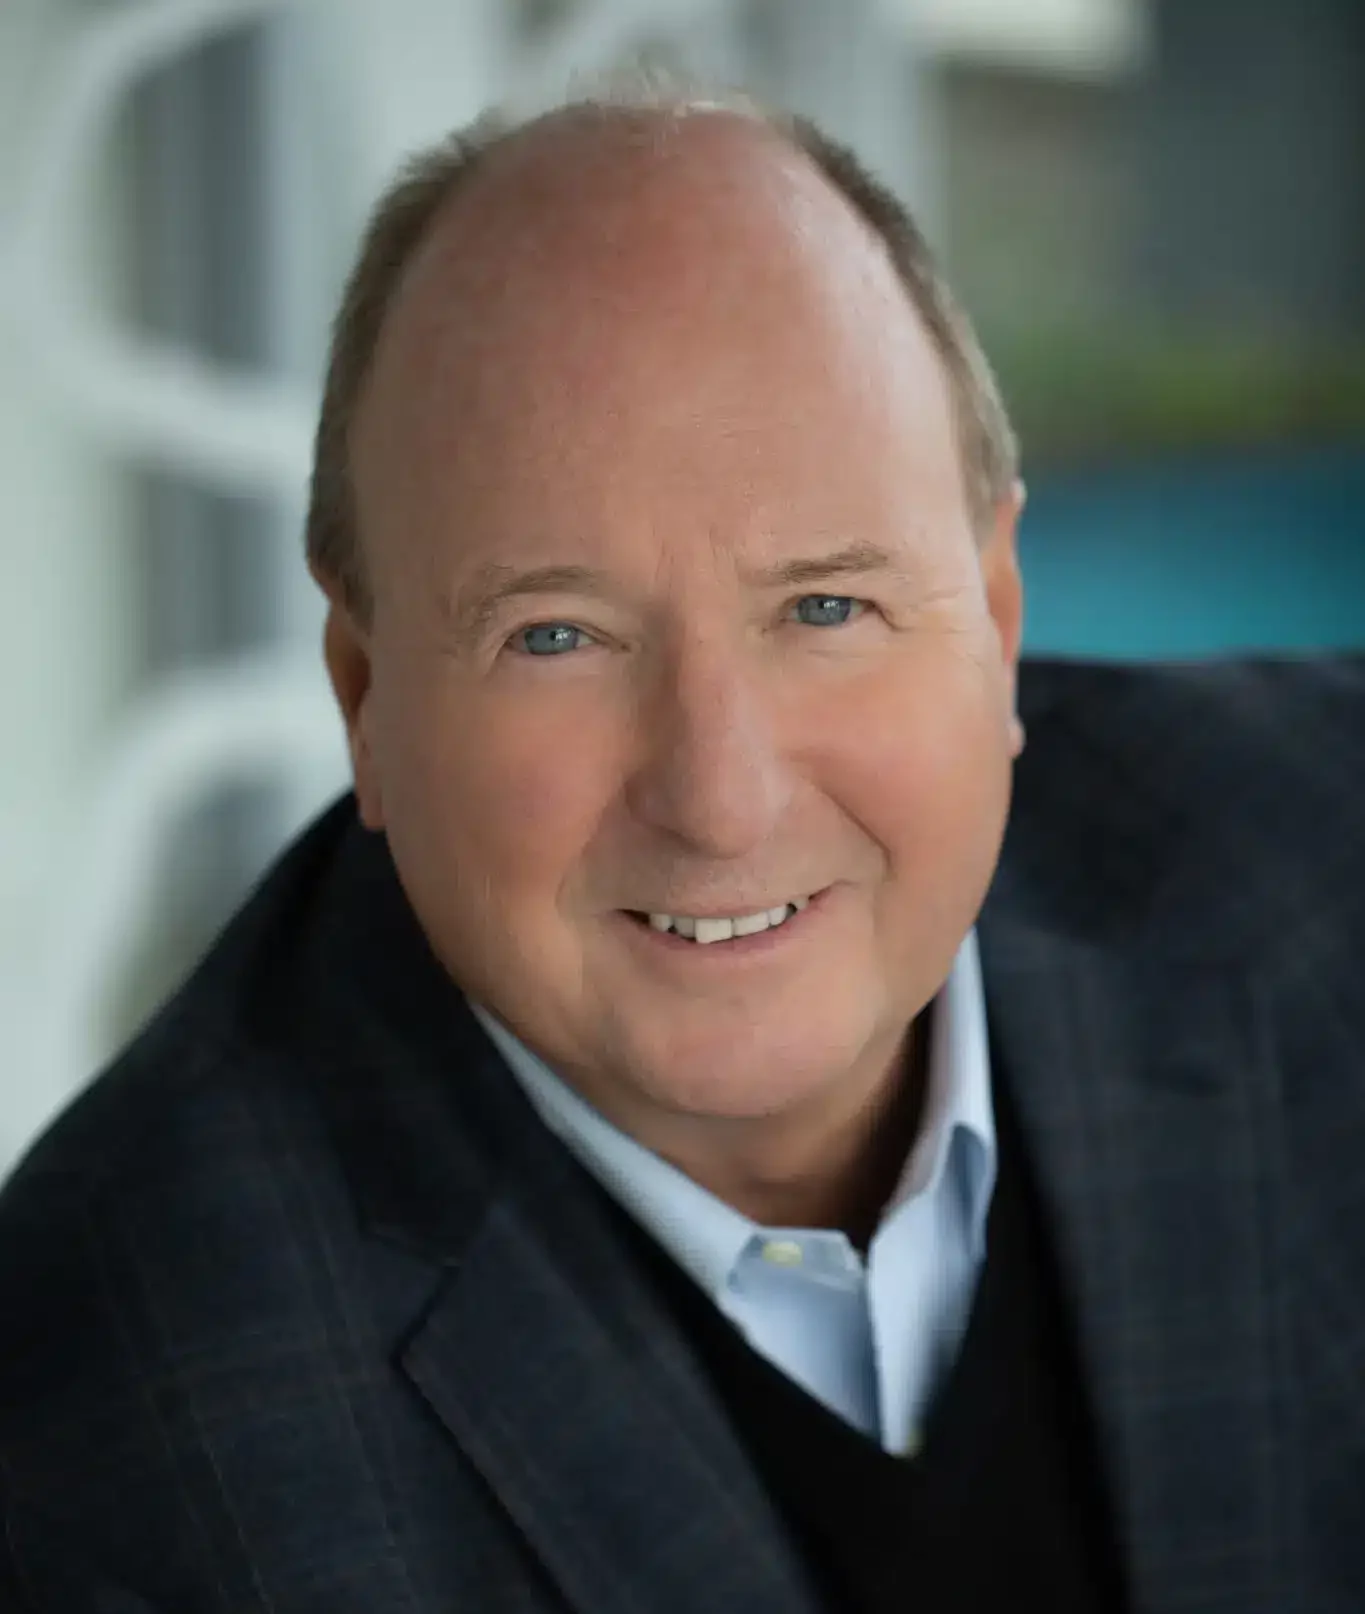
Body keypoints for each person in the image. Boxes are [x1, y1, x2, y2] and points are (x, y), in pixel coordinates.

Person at [1, 79, 1361, 1614]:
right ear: (365, 696)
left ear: (995, 612)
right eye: (558, 634)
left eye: (827, 607)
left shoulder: (1326, 858)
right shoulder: (109, 1437)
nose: (719, 795)